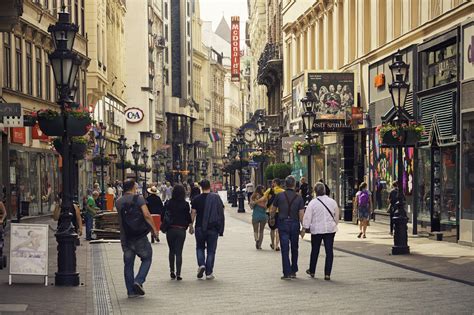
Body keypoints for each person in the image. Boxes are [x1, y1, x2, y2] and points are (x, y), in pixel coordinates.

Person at [116, 179, 158, 298]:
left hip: (125, 237)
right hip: (139, 236)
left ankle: (130, 292)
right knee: (147, 258)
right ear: (133, 187)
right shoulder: (139, 199)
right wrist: (154, 230)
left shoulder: (118, 202)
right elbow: (147, 215)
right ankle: (138, 281)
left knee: (128, 264)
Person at [270, 176, 305, 280]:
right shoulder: (299, 198)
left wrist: (272, 218)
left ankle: (287, 272)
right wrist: (303, 227)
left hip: (283, 223)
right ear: (294, 184)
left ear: (285, 184)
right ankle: (294, 270)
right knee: (295, 247)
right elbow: (301, 214)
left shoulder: (279, 196)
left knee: (285, 248)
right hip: (294, 223)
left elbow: (273, 209)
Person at [303, 182, 340, 281]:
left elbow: (307, 217)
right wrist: (334, 224)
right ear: (324, 190)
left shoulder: (312, 203)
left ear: (315, 192)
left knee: (315, 250)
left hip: (317, 230)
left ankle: (312, 270)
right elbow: (337, 216)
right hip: (329, 230)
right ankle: (327, 274)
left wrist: (305, 227)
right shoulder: (332, 202)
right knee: (329, 251)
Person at [190, 179, 225, 280]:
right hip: (213, 228)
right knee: (211, 251)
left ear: (201, 187)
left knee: (200, 247)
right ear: (209, 186)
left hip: (200, 227)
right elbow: (221, 211)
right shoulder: (216, 198)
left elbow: (193, 213)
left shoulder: (196, 199)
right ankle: (209, 273)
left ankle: (201, 265)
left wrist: (191, 225)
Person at [164, 184, 192, 281]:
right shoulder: (185, 204)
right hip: (181, 230)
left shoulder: (168, 203)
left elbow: (164, 214)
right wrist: (190, 225)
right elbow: (188, 218)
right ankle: (178, 273)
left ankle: (172, 271)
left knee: (172, 251)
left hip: (170, 229)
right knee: (179, 252)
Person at [263, 179, 284, 251]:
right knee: (278, 229)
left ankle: (272, 243)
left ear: (275, 183)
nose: (272, 183)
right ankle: (277, 245)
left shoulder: (269, 190)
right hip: (280, 212)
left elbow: (263, 198)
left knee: (272, 229)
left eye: (272, 182)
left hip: (271, 212)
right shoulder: (282, 191)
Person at [249, 185, 267, 250]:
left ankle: (256, 239)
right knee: (261, 231)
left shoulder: (253, 196)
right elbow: (265, 207)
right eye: (263, 189)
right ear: (261, 190)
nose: (263, 190)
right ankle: (259, 245)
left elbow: (251, 206)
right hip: (263, 215)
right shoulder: (264, 196)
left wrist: (255, 203)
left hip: (255, 214)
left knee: (255, 230)